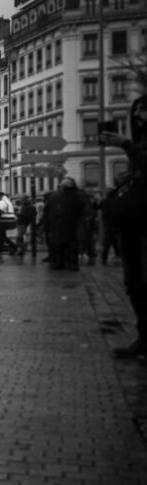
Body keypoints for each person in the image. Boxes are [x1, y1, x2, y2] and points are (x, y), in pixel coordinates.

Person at [101, 94, 147, 358]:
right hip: (132, 223)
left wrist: (127, 145)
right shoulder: (140, 142)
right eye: (137, 109)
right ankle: (144, 336)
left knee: (143, 280)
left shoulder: (136, 144)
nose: (139, 115)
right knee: (134, 283)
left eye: (144, 109)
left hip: (143, 223)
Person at [43, 178, 84, 271]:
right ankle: (71, 263)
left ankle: (58, 263)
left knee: (58, 245)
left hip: (56, 226)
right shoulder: (77, 196)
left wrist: (47, 225)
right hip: (71, 226)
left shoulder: (53, 196)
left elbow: (47, 211)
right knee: (71, 246)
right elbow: (81, 212)